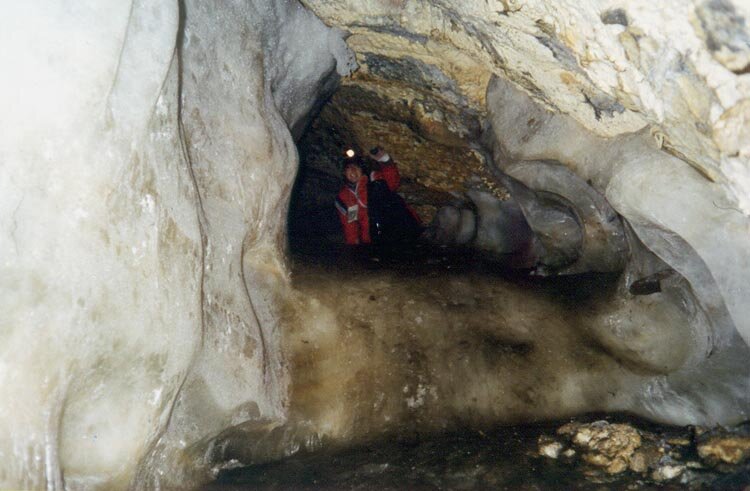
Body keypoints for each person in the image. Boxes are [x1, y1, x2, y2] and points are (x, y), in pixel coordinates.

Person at [365, 146, 423, 244]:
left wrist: (385, 160)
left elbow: (392, 183)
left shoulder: (377, 177)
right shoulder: (354, 191)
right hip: (378, 227)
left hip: (393, 222)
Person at [335, 153, 371, 245]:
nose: (353, 171)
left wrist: (385, 160)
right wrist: (353, 247)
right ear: (344, 173)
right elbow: (351, 224)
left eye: (357, 167)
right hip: (369, 244)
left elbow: (392, 180)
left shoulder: (374, 184)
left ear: (362, 171)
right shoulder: (346, 197)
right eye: (349, 168)